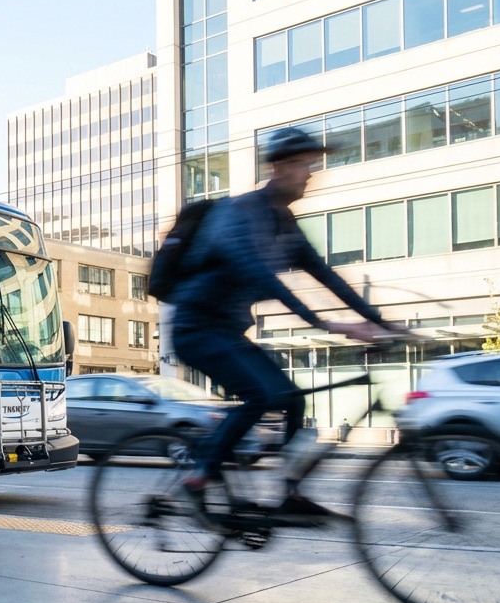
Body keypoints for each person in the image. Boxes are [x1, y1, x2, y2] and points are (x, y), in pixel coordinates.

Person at [166, 126, 403, 523]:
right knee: (262, 396)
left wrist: (381, 322)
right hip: (195, 328)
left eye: (312, 164)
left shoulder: (284, 223)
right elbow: (262, 278)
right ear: (278, 167)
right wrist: (334, 325)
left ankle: (289, 492)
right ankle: (198, 478)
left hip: (226, 331)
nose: (310, 173)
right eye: (302, 164)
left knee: (292, 398)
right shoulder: (239, 213)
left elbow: (324, 274)